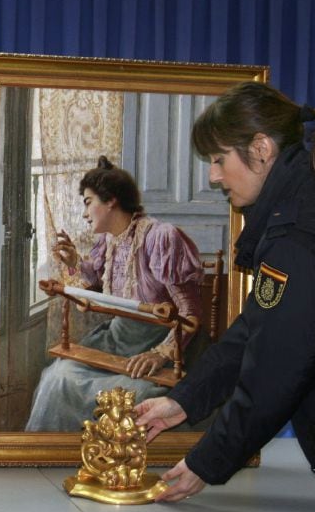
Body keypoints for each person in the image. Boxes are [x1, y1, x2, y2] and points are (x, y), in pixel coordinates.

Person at [134, 82, 315, 510]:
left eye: (219, 159)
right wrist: (183, 402)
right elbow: (256, 331)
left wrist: (205, 463)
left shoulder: (299, 240)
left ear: (260, 148)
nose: (213, 176)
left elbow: (275, 373)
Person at [25, 156, 203, 431]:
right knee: (56, 378)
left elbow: (191, 313)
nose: (84, 214)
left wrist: (160, 355)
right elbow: (96, 283)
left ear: (111, 201)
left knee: (135, 396)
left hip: (160, 344)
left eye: (88, 202)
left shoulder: (161, 237)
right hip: (116, 339)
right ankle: (53, 455)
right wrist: (74, 263)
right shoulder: (107, 242)